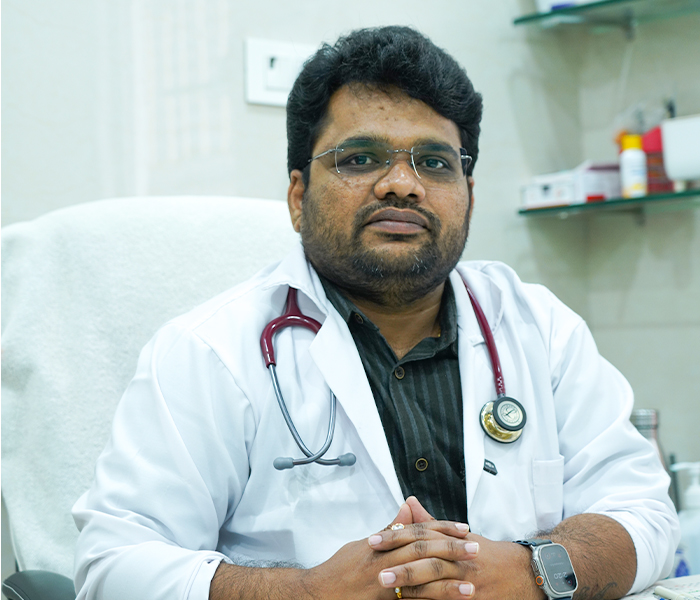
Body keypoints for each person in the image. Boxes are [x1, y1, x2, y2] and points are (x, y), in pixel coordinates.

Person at [73, 26, 679, 600]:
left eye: (435, 162)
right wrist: (308, 594)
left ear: (469, 195)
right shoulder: (210, 351)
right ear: (298, 196)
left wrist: (531, 571)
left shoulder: (539, 329)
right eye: (361, 158)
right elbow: (113, 564)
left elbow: (643, 515)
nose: (402, 184)